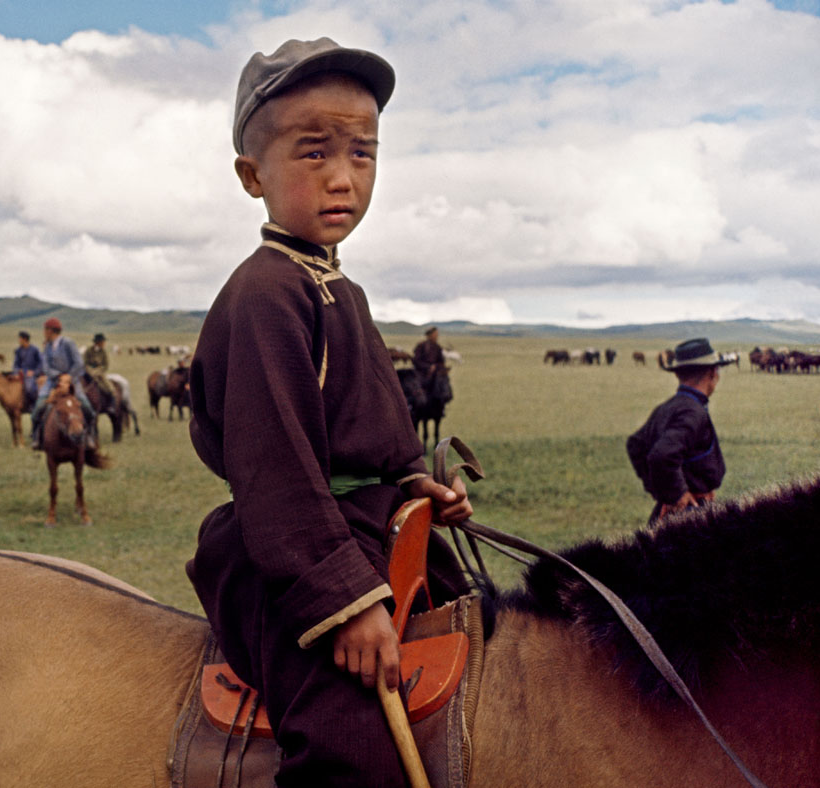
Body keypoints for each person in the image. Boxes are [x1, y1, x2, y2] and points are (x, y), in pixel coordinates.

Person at [184, 38, 473, 788]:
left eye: (362, 153)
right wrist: (344, 603)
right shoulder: (265, 293)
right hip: (288, 552)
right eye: (313, 152)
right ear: (253, 176)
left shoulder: (340, 288)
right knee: (357, 750)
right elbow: (275, 470)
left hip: (372, 529)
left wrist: (413, 482)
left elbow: (371, 424)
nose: (343, 177)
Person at [627, 337, 732, 525]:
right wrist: (677, 495)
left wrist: (662, 492)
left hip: (675, 513)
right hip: (690, 518)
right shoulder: (693, 411)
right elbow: (662, 454)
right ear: (712, 373)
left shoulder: (667, 407)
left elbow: (636, 445)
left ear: (678, 374)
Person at [30, 318, 97, 449]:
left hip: (72, 381)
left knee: (87, 407)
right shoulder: (47, 346)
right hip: (52, 382)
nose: (44, 332)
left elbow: (79, 363)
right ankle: (36, 436)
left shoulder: (68, 343)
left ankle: (89, 435)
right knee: (38, 407)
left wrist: (69, 376)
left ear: (51, 331)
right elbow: (46, 367)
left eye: (45, 329)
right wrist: (59, 376)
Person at [412, 325, 453, 404]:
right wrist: (428, 367)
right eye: (435, 334)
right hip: (421, 372)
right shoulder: (421, 346)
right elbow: (416, 361)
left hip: (434, 372)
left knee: (443, 381)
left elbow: (441, 362)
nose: (437, 336)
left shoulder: (437, 347)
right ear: (429, 335)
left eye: (437, 334)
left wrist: (436, 367)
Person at [13, 330, 44, 414]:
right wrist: (16, 372)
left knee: (29, 388)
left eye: (20, 339)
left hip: (31, 373)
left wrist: (34, 372)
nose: (19, 340)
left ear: (25, 339)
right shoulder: (18, 350)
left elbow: (41, 363)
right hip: (21, 373)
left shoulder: (35, 350)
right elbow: (16, 364)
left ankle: (33, 405)